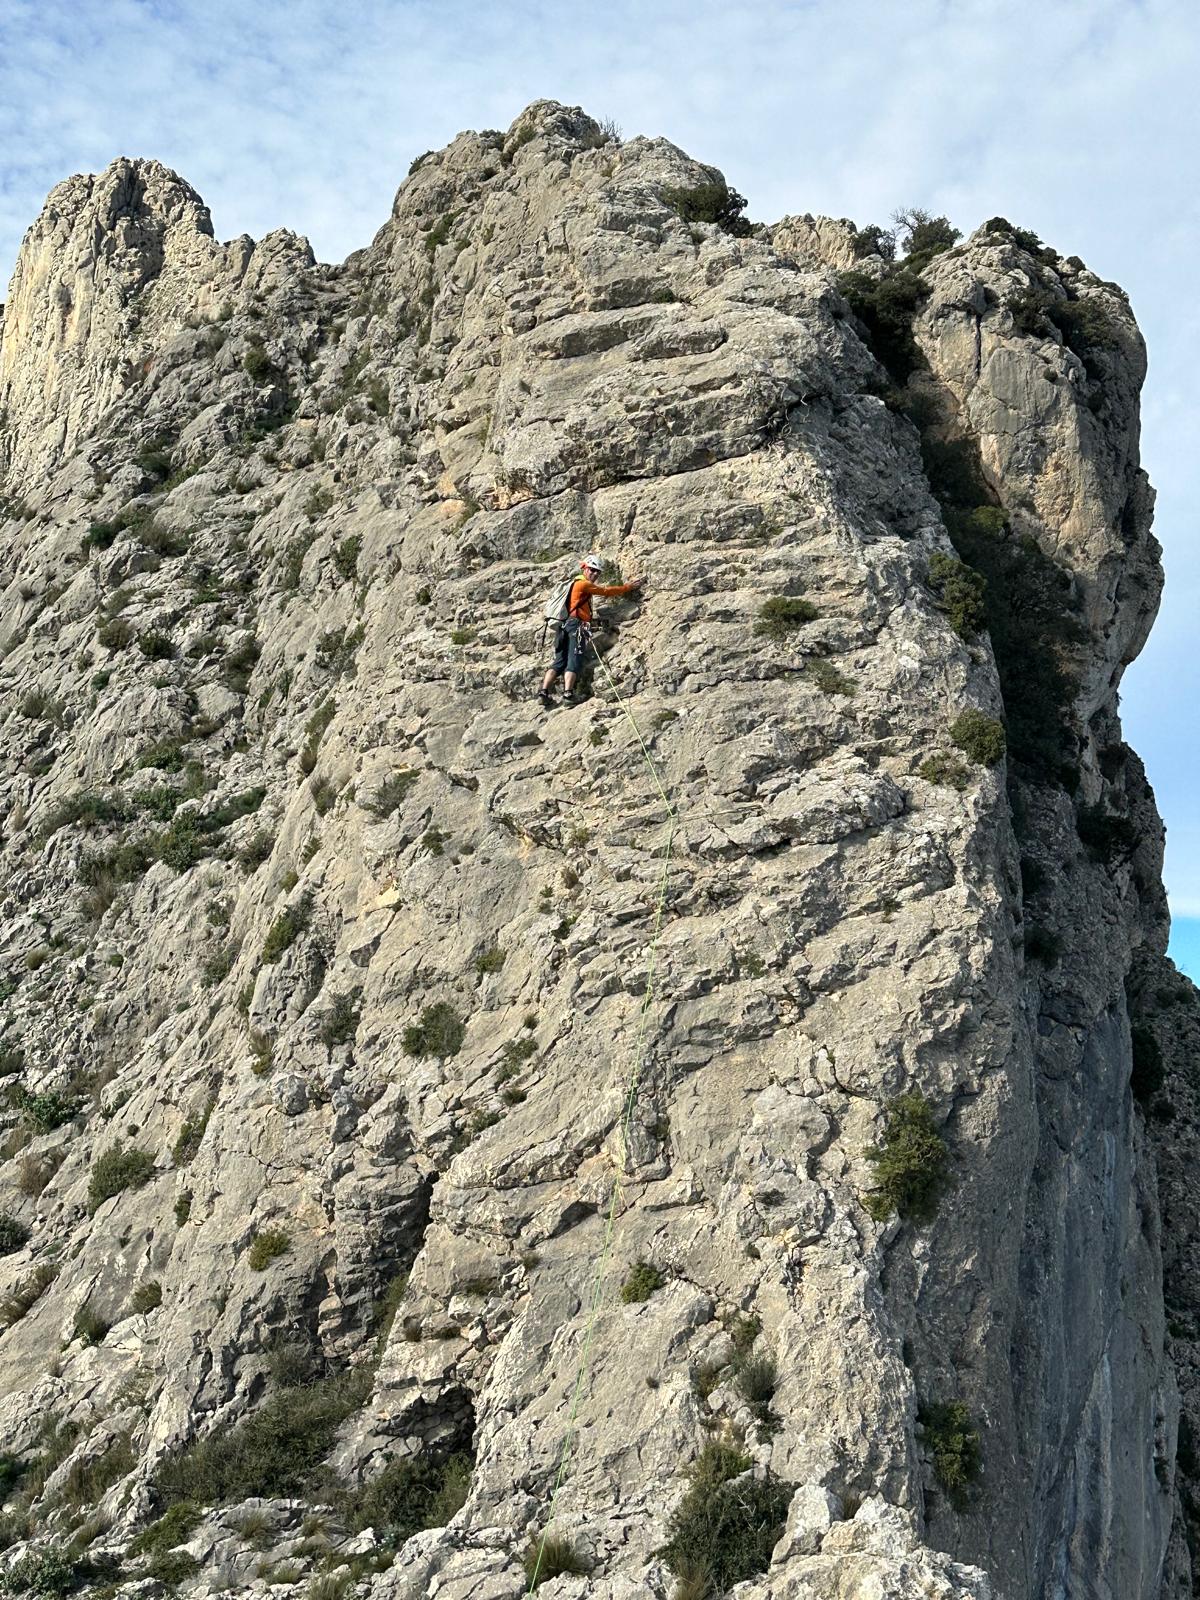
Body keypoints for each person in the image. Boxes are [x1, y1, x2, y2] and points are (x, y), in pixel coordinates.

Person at [539, 554, 642, 708]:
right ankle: (568, 695)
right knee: (574, 660)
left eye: (597, 572)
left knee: (559, 662)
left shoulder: (573, 584)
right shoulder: (583, 584)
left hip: (564, 626)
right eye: (592, 570)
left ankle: (543, 693)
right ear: (584, 568)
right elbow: (606, 591)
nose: (595, 574)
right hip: (577, 626)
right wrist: (628, 587)